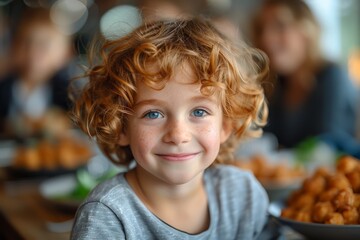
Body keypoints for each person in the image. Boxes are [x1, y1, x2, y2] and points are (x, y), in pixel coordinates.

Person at [70, 18, 269, 239]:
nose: (177, 135)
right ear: (121, 128)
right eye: (153, 114)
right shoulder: (107, 215)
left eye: (199, 112)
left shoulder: (244, 196)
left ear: (225, 125)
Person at [252, 0, 357, 149]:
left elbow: (328, 144)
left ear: (306, 31)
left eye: (279, 26)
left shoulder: (331, 76)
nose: (266, 38)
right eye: (261, 29)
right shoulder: (275, 85)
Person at [0, 8, 73, 137]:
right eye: (26, 42)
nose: (32, 53)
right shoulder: (3, 87)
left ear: (64, 53)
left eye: (44, 45)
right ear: (14, 46)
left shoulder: (69, 92)